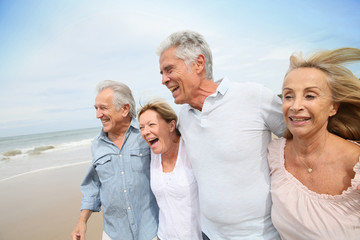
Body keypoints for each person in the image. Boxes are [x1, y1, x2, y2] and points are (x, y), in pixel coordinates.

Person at [156, 30, 286, 239]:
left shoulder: (254, 96)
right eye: (161, 73)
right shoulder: (184, 116)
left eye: (169, 69)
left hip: (260, 235)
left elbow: (304, 139)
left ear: (199, 64)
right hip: (209, 233)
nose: (164, 80)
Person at [267, 48, 360, 239]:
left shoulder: (356, 163)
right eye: (288, 96)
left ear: (333, 107)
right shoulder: (273, 155)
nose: (295, 106)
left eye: (310, 96)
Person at [71, 80, 159, 240]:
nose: (98, 115)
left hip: (151, 231)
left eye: (103, 108)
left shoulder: (146, 135)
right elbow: (93, 186)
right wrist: (82, 221)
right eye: (96, 109)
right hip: (114, 234)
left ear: (125, 109)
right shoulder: (97, 145)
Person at [138, 99, 202, 240]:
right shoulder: (152, 154)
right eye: (141, 127)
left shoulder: (190, 149)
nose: (145, 132)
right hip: (164, 236)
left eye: (151, 125)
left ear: (171, 125)